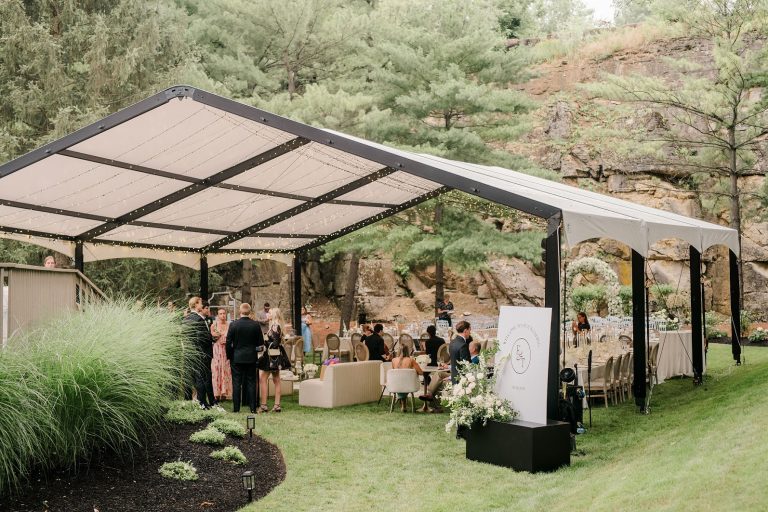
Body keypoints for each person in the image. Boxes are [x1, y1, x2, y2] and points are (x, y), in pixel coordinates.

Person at [226, 303, 265, 414]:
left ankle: (236, 409)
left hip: (236, 357)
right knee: (251, 382)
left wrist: (230, 356)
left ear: (240, 311)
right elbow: (260, 344)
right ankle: (252, 408)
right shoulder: (255, 325)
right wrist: (254, 351)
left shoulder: (233, 324)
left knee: (236, 383)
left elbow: (228, 343)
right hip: (251, 358)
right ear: (250, 312)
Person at [183, 296, 216, 409]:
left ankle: (189, 402)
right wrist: (211, 338)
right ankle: (202, 403)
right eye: (201, 303)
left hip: (189, 354)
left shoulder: (186, 319)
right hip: (201, 354)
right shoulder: (199, 320)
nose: (202, 305)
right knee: (200, 379)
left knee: (191, 379)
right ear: (196, 304)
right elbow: (202, 339)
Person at [257, 307, 290, 413]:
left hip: (271, 356)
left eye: (269, 313)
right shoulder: (277, 325)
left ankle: (264, 405)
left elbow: (275, 343)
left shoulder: (275, 326)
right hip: (276, 356)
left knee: (263, 378)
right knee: (276, 380)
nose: (267, 314)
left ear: (274, 315)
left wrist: (265, 342)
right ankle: (277, 405)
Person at [391, 345, 423, 412]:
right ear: (407, 351)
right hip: (408, 385)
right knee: (405, 381)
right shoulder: (411, 360)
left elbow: (394, 374)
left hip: (396, 385)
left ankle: (402, 401)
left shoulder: (393, 360)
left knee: (401, 381)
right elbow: (420, 372)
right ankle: (403, 404)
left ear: (398, 351)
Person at [210, 308, 233, 402]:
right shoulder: (214, 325)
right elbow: (211, 337)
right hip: (217, 349)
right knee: (217, 369)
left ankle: (225, 392)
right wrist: (216, 336)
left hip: (226, 350)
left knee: (226, 369)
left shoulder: (230, 325)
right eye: (220, 314)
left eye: (224, 313)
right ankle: (216, 393)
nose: (222, 315)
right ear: (218, 315)